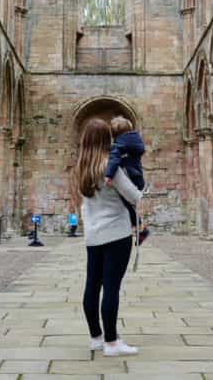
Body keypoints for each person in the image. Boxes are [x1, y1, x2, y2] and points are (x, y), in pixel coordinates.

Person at [69, 118, 142, 356]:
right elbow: (134, 196)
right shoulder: (109, 166)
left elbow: (81, 204)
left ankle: (96, 337)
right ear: (106, 140)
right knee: (111, 288)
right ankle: (112, 343)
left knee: (92, 286)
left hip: (93, 234)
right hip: (117, 233)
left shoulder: (79, 168)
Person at [104, 116, 150, 245]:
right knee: (129, 205)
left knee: (124, 203)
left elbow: (114, 159)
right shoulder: (135, 140)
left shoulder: (119, 144)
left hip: (129, 177)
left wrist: (109, 175)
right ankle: (138, 229)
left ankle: (140, 229)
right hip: (138, 177)